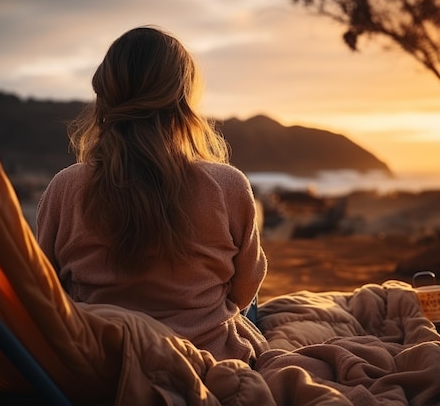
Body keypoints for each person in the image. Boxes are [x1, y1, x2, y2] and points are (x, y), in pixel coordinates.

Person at [36, 26, 268, 364]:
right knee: (250, 302)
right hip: (204, 357)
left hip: (101, 359)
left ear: (104, 93)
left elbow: (44, 286)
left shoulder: (66, 187)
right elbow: (245, 287)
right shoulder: (227, 185)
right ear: (182, 99)